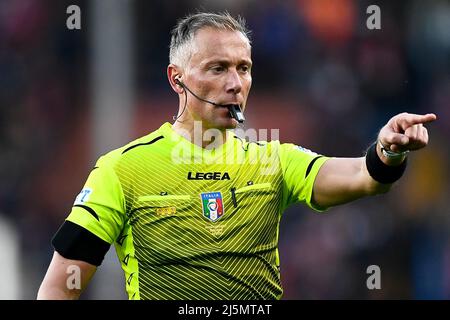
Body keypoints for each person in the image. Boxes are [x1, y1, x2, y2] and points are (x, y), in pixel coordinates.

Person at [37, 12, 436, 300]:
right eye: (218, 68)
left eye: (243, 68)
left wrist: (387, 151)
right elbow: (60, 286)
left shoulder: (273, 160)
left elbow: (364, 178)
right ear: (177, 78)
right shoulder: (122, 169)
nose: (234, 83)